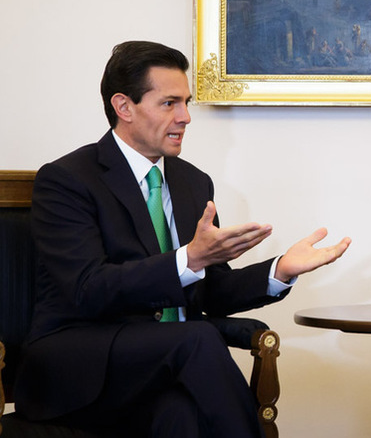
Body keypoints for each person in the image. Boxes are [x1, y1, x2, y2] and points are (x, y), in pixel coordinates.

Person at [16, 41, 352, 437]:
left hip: (161, 370)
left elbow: (212, 292)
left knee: (181, 414)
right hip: (83, 359)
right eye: (170, 103)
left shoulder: (192, 181)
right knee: (197, 336)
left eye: (186, 102)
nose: (186, 117)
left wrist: (279, 270)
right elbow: (88, 289)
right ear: (124, 107)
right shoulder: (67, 180)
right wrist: (189, 260)